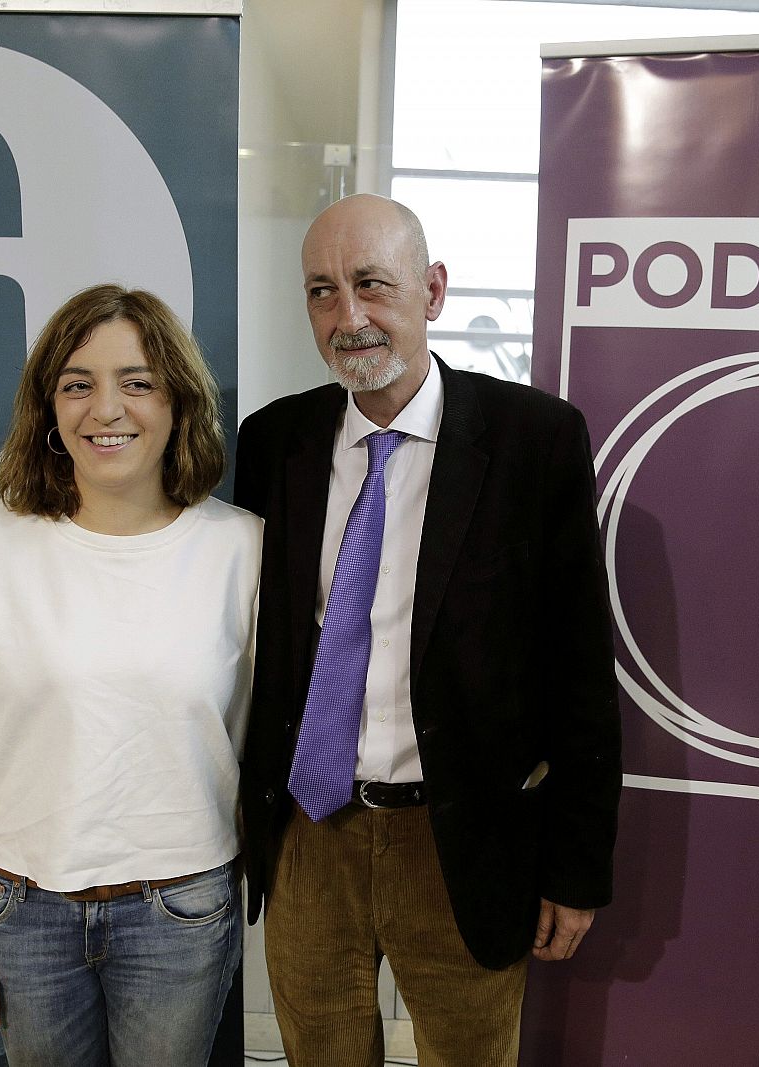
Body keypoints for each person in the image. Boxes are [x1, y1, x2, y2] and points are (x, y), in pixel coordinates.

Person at [235, 194, 622, 1066]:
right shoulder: (272, 443)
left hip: (459, 840)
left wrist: (574, 868)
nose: (349, 316)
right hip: (309, 835)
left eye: (372, 284)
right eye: (322, 293)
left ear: (433, 290)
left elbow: (580, 673)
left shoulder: (534, 441)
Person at [0, 285, 260, 1067]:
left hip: (181, 911)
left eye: (137, 380)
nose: (106, 408)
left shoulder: (242, 550)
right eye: (77, 383)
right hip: (21, 914)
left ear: (178, 400)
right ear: (49, 409)